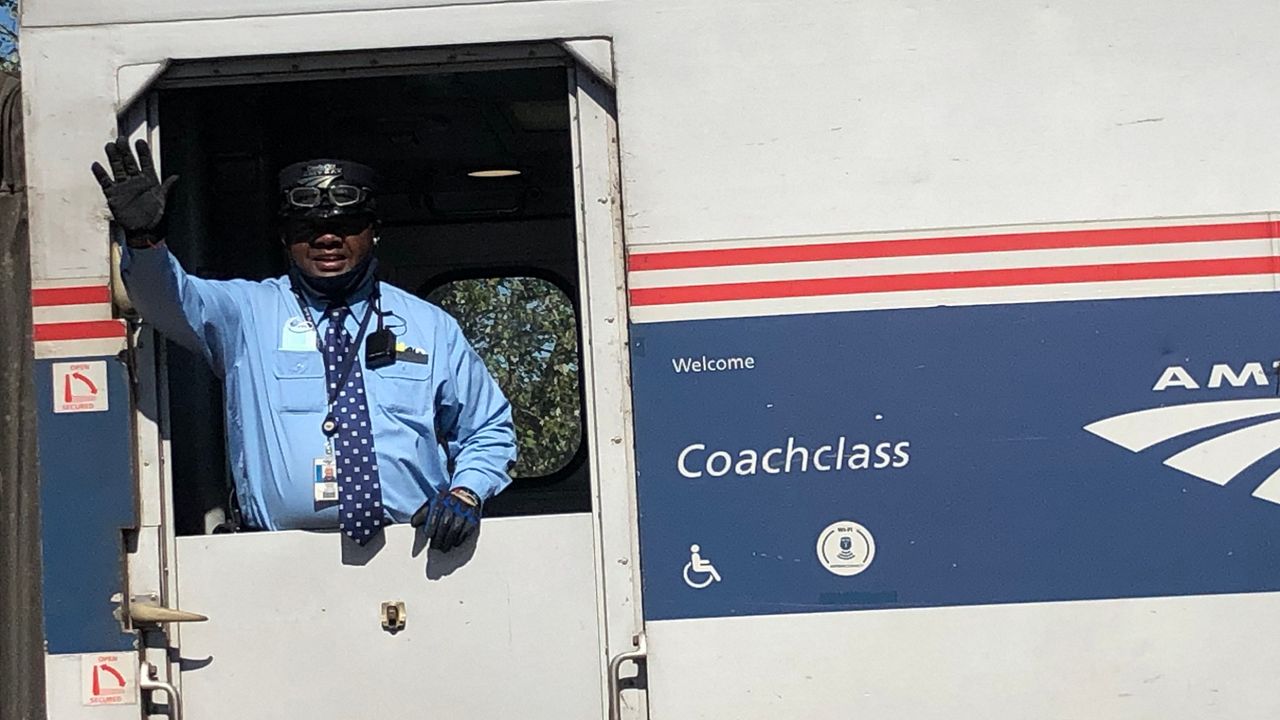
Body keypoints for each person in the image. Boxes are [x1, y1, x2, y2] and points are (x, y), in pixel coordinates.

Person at [91, 137, 517, 550]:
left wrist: (467, 492)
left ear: (374, 231)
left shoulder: (430, 327)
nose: (326, 238)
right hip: (280, 560)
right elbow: (165, 300)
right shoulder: (246, 312)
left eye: (346, 226)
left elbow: (488, 428)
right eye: (307, 227)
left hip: (410, 551)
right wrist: (145, 243)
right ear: (284, 237)